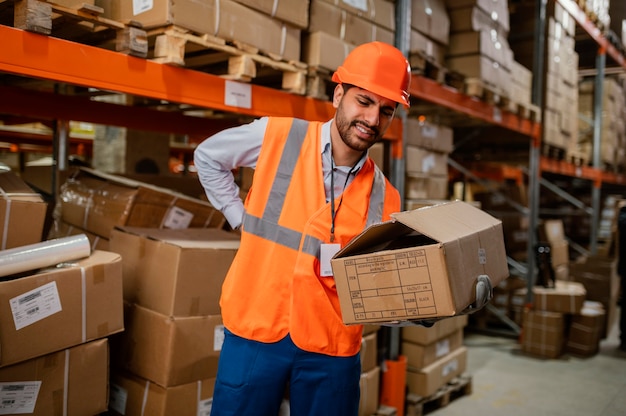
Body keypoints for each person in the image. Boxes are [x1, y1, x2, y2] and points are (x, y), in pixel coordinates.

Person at [194, 41, 410, 416]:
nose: (373, 119)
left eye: (386, 110)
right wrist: (237, 216)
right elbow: (208, 157)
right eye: (364, 102)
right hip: (257, 327)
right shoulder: (280, 137)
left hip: (332, 345)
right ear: (338, 93)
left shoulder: (386, 196)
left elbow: (372, 280)